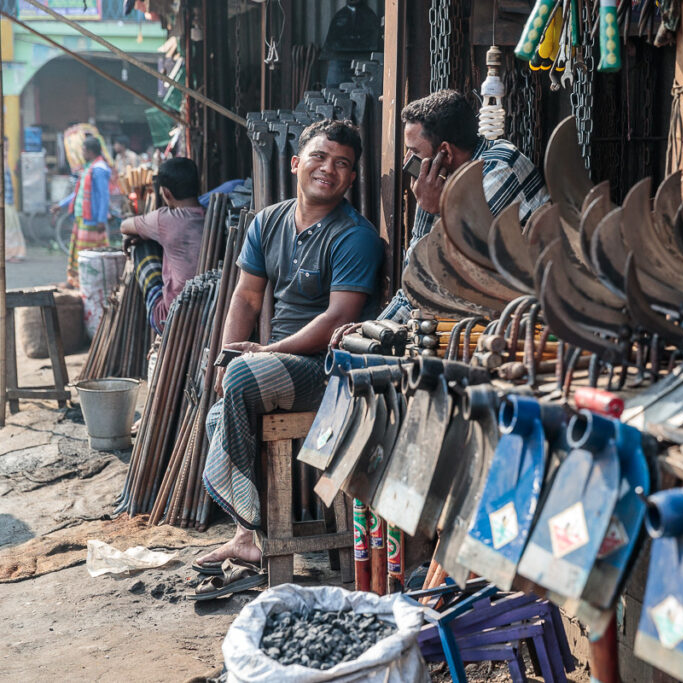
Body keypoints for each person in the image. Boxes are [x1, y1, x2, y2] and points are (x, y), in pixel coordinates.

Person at [195, 118, 383, 569]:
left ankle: (249, 534)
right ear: (297, 162)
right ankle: (249, 535)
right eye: (319, 157)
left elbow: (339, 317)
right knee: (220, 406)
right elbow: (246, 295)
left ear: (351, 179)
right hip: (279, 364)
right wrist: (229, 354)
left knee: (242, 374)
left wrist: (265, 354)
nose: (328, 169)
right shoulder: (268, 221)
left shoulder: (355, 236)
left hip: (330, 370)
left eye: (342, 164)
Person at [333, 89, 548, 342]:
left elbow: (435, 276)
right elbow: (415, 281)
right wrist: (380, 329)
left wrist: (429, 208)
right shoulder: (450, 181)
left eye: (414, 151)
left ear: (444, 152)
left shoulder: (499, 170)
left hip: (525, 322)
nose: (407, 161)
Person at [119, 157, 205, 333]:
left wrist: (143, 237)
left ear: (166, 193)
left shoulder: (163, 219)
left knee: (142, 247)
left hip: (170, 317)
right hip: (208, 312)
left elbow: (124, 226)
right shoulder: (212, 215)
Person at [54, 136, 111, 288]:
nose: (82, 153)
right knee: (79, 252)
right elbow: (78, 193)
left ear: (90, 151)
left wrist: (101, 219)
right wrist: (61, 205)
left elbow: (104, 197)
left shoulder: (99, 169)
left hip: (92, 220)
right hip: (82, 219)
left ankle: (89, 283)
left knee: (90, 255)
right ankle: (76, 281)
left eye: (84, 150)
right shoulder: (89, 167)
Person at [3, 137, 26, 263]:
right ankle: (9, 254)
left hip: (9, 200)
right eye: (4, 148)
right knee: (8, 229)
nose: (6, 151)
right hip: (5, 201)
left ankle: (13, 253)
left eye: (7, 148)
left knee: (11, 227)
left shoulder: (5, 161)